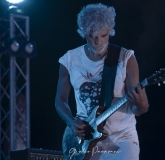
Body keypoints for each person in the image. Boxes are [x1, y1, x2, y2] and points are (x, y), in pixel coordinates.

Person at [55, 3, 149, 160]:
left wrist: (143, 105)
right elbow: (60, 100)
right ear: (83, 32)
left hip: (122, 137)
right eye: (92, 35)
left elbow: (137, 109)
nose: (97, 41)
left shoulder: (126, 58)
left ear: (110, 32)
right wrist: (72, 122)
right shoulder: (69, 59)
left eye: (103, 35)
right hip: (86, 138)